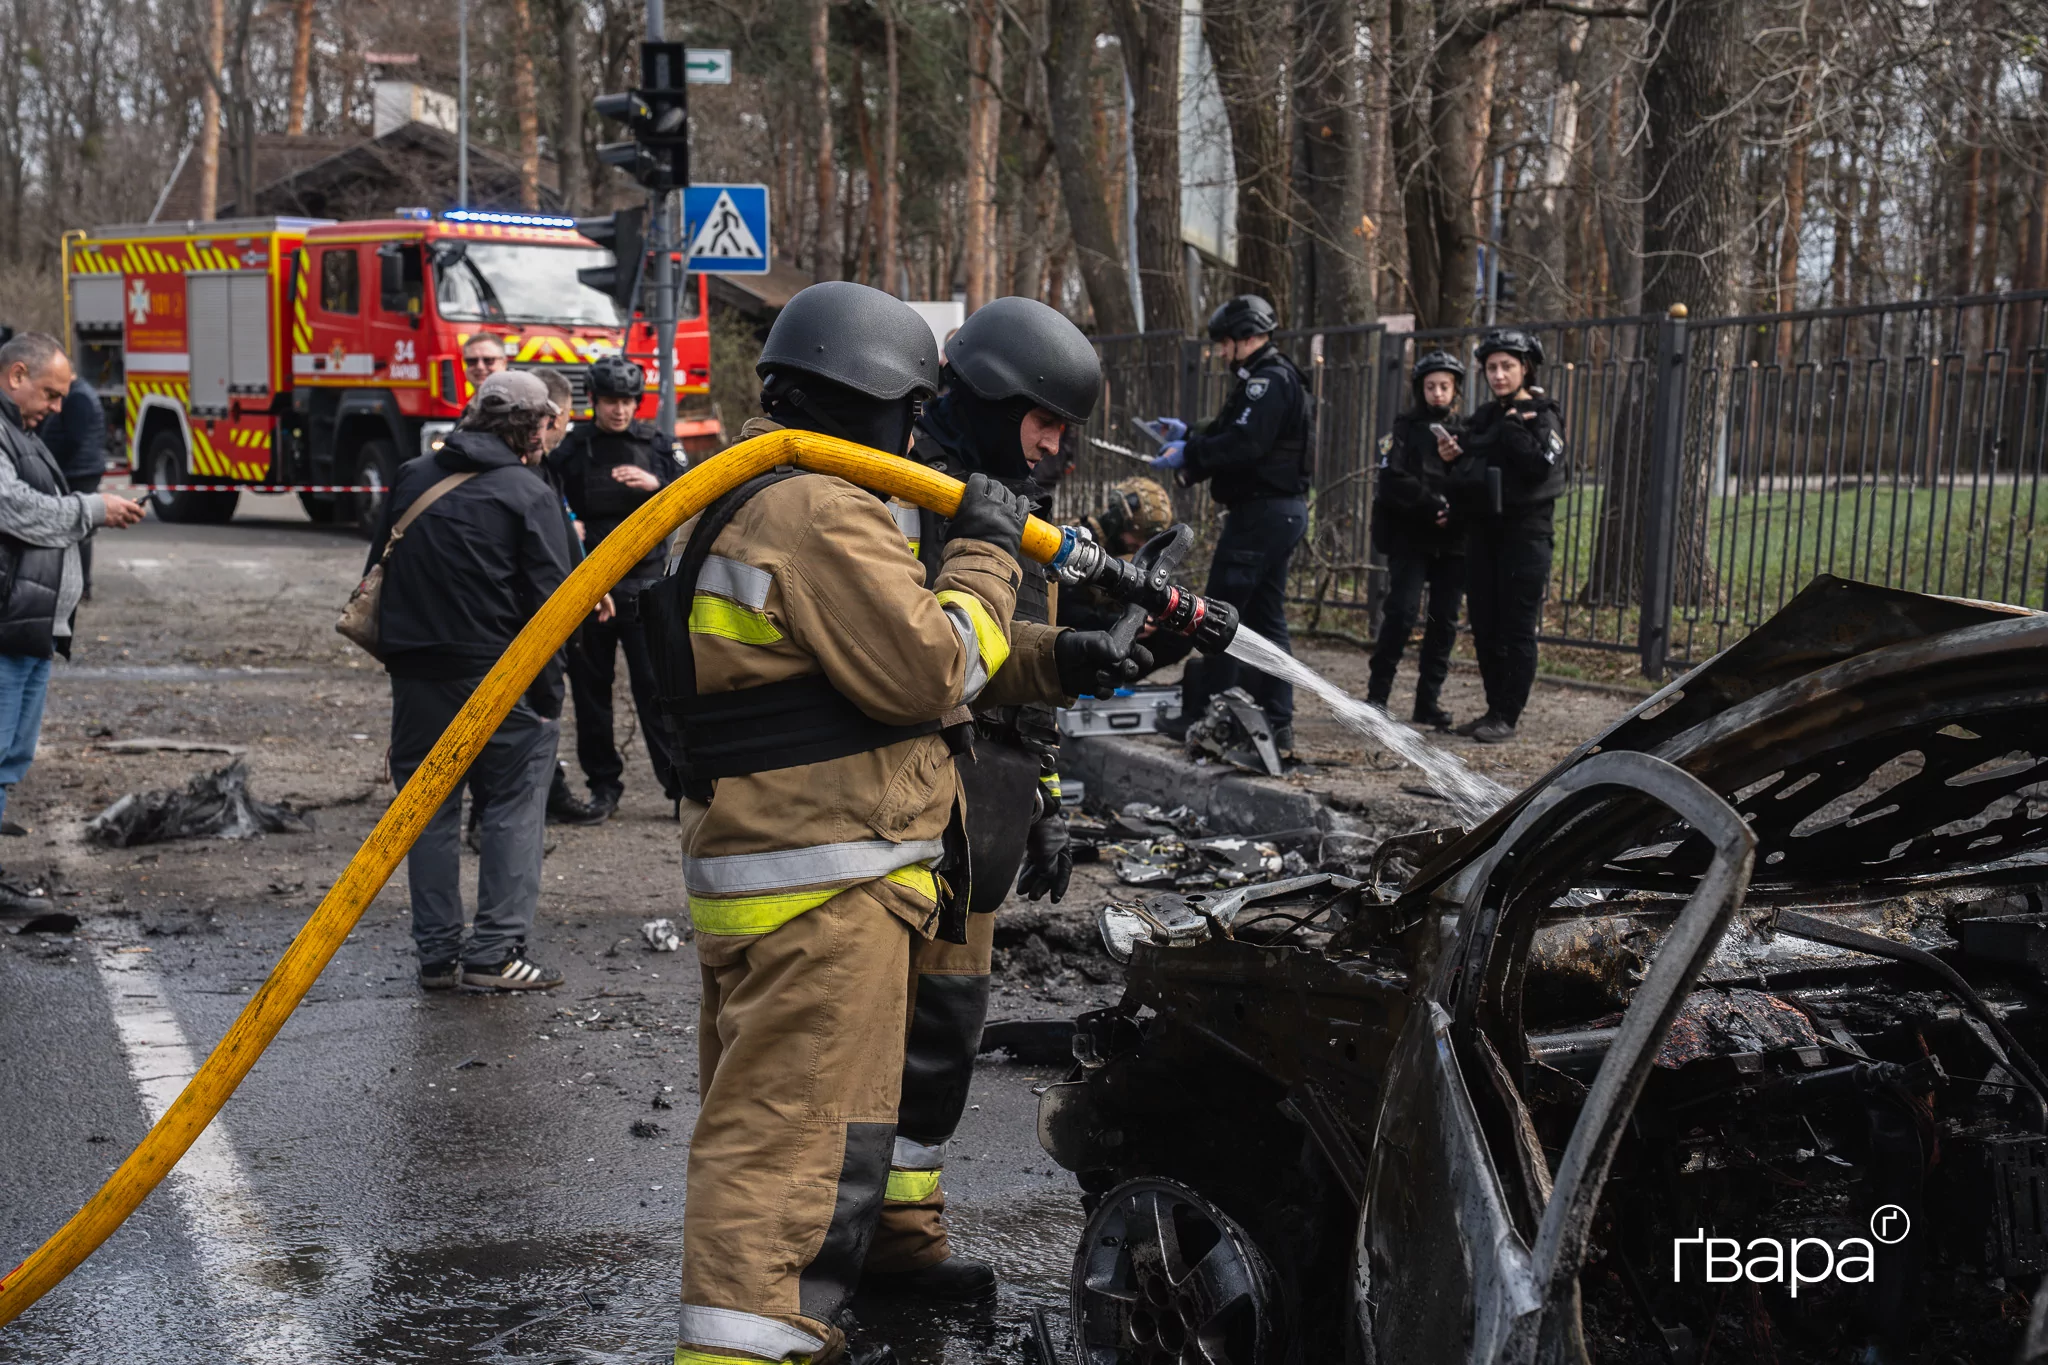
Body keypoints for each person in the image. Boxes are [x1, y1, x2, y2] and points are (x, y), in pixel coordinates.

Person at [646, 281, 1142, 1365]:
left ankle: (814, 1300)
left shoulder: (755, 489)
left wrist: (1067, 665)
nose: (914, 426)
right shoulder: (818, 505)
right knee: (793, 1141)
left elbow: (867, 672)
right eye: (908, 405)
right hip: (827, 865)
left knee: (828, 1121)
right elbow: (928, 666)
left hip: (819, 854)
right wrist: (983, 552)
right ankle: (742, 1346)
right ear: (877, 398)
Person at [870, 295, 1146, 1303]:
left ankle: (902, 1237)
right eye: (1043, 422)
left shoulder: (1012, 511)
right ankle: (823, 1250)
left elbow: (1015, 673)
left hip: (976, 806)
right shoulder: (893, 493)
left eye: (1065, 431)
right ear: (988, 399)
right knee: (860, 1039)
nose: (1056, 448)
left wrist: (1044, 798)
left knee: (943, 1029)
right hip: (891, 807)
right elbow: (921, 664)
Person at [370, 369, 584, 992]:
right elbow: (553, 607)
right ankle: (494, 955)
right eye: (546, 420)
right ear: (531, 426)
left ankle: (436, 957)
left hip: (416, 674)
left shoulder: (413, 476)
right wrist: (547, 698)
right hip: (499, 677)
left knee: (426, 814)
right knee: (513, 810)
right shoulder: (529, 492)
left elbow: (378, 578)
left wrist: (403, 680)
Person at [0, 334, 144, 877]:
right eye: (49, 393)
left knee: (11, 757)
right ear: (16, 376)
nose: (57, 407)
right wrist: (91, 509)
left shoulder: (19, 430)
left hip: (30, 626)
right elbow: (14, 509)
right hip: (9, 625)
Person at [1150, 295, 1315, 752]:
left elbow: (1246, 443)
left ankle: (1209, 717)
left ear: (1246, 339)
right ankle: (1276, 722)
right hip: (1276, 512)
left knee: (1217, 613)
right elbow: (1239, 432)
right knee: (1265, 619)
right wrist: (1191, 435)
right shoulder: (1269, 378)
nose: (1221, 353)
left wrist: (1193, 454)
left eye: (1225, 344)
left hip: (1262, 514)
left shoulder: (1268, 380)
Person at [548, 354, 684, 820]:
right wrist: (568, 525)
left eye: (626, 401)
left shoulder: (657, 445)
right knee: (591, 693)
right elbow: (544, 495)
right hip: (591, 591)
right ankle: (603, 786)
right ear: (595, 402)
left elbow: (695, 496)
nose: (619, 410)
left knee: (658, 692)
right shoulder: (572, 448)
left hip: (646, 590)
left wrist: (657, 483)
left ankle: (678, 789)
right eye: (610, 401)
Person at [1441, 328, 1565, 744]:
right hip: (1484, 533)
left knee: (1516, 628)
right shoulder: (1487, 415)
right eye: (1491, 367)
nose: (1498, 374)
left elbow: (1539, 468)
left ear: (1525, 368)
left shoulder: (1541, 414)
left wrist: (1513, 431)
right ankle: (1494, 708)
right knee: (1485, 626)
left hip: (1525, 536)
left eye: (1507, 366)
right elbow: (1470, 464)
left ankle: (1508, 715)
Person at [1367, 350, 1469, 731]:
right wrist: (1430, 505)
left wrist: (1452, 508)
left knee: (1444, 620)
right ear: (1420, 389)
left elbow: (1473, 477)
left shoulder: (1466, 429)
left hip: (1453, 539)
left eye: (1445, 386)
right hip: (1411, 536)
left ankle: (1428, 701)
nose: (1438, 393)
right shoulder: (1405, 428)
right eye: (1431, 386)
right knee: (1402, 613)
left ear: (1456, 389)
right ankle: (1377, 696)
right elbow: (1392, 479)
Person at [1055, 477, 1177, 634]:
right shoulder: (1080, 542)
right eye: (1137, 535)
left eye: (1147, 539)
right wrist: (1117, 623)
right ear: (1118, 519)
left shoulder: (1140, 553)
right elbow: (1065, 612)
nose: (1141, 545)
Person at [33, 376, 108, 599]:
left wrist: (51, 463)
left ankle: (82, 586)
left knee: (80, 529)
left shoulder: (78, 397)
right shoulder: (78, 393)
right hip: (79, 470)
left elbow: (73, 439)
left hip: (78, 472)